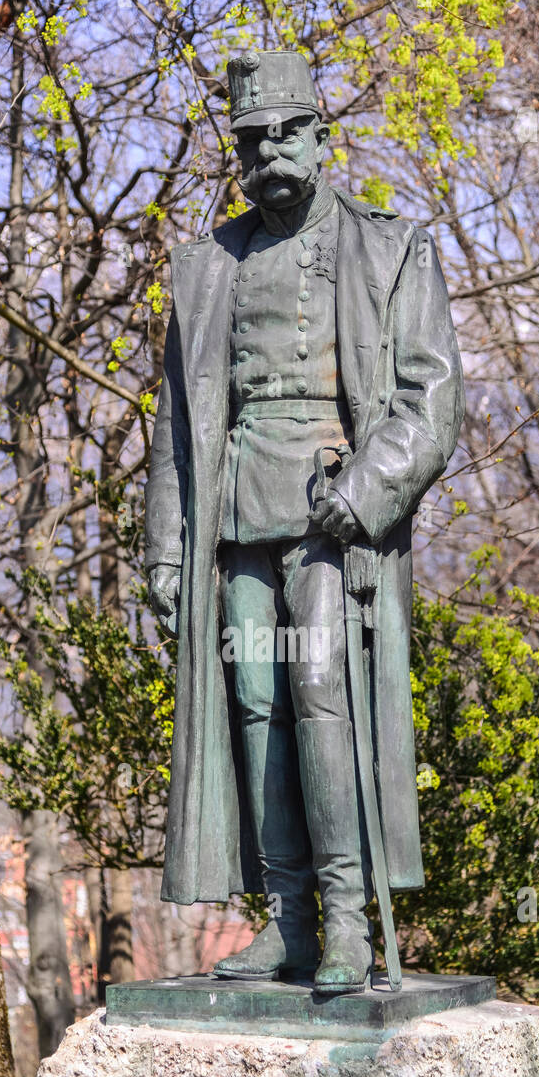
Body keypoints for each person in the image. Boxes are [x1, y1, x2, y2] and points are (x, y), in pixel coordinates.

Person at [144, 49, 464, 993]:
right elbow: (177, 428)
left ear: (322, 136)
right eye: (251, 137)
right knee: (254, 706)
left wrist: (365, 488)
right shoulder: (207, 269)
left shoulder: (389, 247)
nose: (269, 149)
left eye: (287, 130)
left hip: (333, 518)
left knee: (321, 691)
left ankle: (350, 923)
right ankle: (284, 919)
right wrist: (165, 555)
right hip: (238, 513)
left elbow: (429, 398)